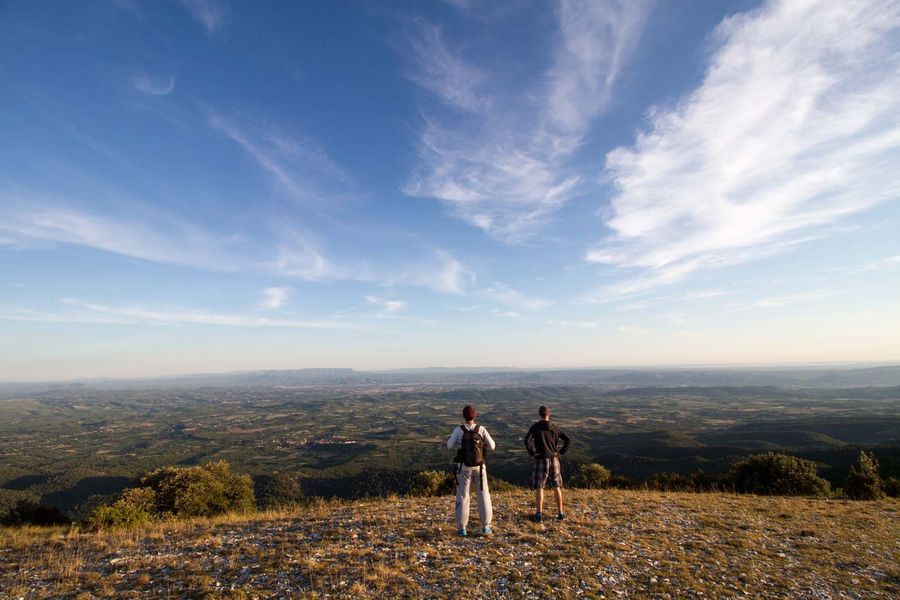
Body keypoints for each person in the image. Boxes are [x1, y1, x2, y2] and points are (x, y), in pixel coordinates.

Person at [447, 404, 496, 536]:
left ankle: (462, 528)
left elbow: (449, 445)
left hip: (464, 467)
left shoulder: (459, 430)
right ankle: (486, 526)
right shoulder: (481, 429)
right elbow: (492, 446)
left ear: (463, 416)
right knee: (483, 494)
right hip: (480, 467)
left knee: (463, 496)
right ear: (475, 416)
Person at [524, 405, 570, 522]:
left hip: (540, 459)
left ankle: (539, 514)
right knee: (556, 487)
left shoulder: (535, 427)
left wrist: (532, 453)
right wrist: (560, 452)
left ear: (540, 414)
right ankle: (560, 512)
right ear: (549, 414)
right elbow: (567, 440)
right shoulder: (555, 427)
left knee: (539, 487)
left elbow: (527, 440)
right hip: (554, 459)